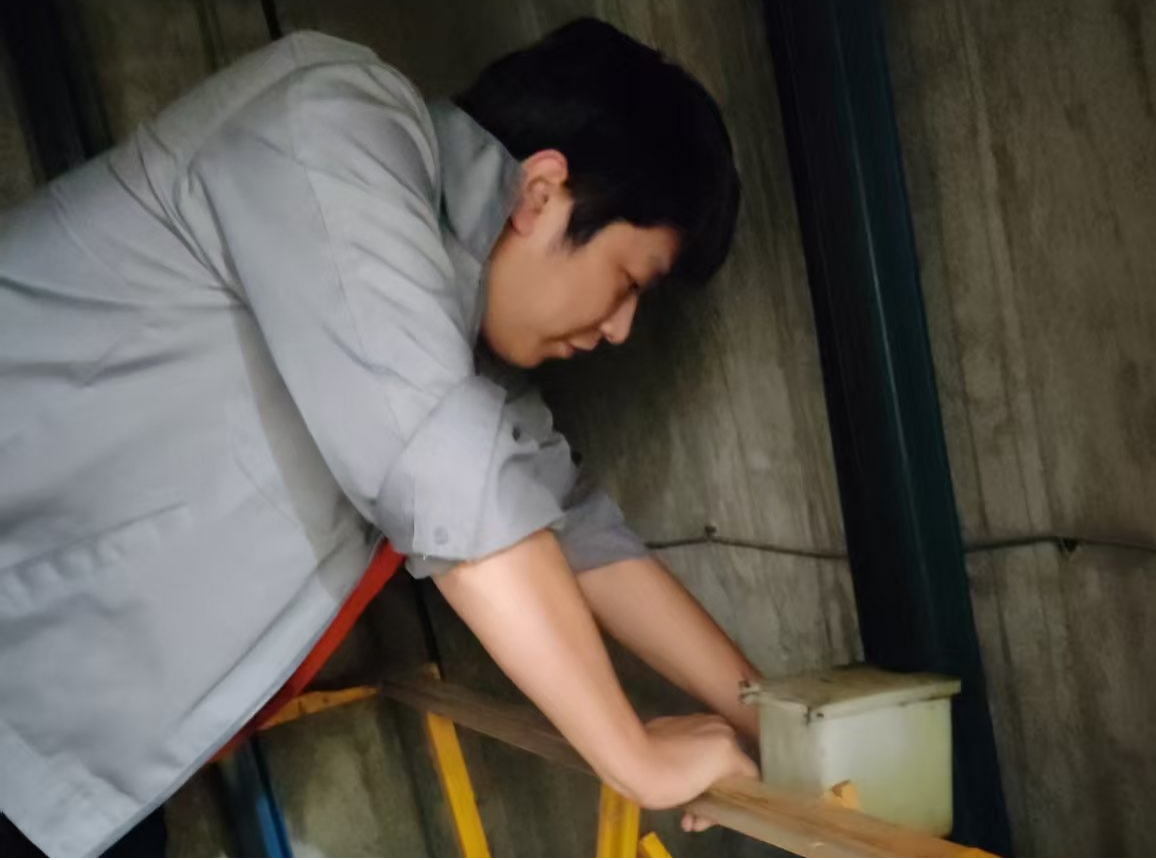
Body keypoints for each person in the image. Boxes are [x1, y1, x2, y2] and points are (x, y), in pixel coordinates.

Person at [0, 18, 760, 858]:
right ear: (542, 193)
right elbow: (440, 467)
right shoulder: (333, 124)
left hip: (78, 784)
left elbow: (577, 532)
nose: (620, 329)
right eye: (628, 281)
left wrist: (777, 723)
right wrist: (636, 757)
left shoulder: (454, 338)